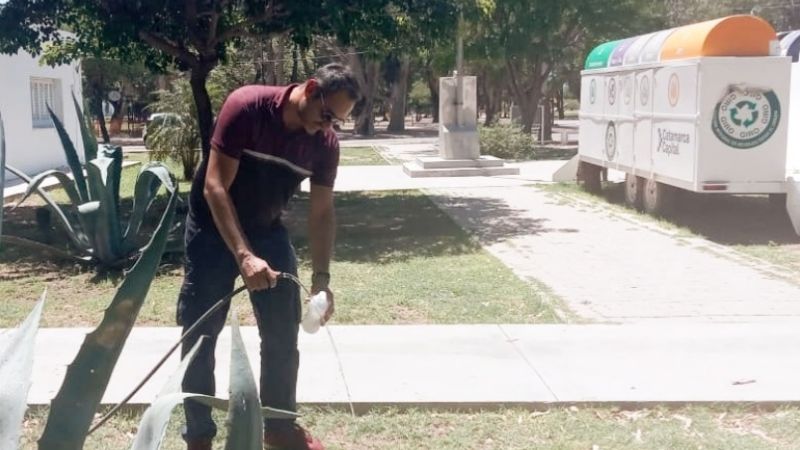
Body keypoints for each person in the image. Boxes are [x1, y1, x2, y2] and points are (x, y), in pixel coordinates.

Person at [177, 63, 359, 450]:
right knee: (200, 335)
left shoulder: (324, 144)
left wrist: (321, 281)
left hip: (267, 229)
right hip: (212, 229)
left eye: (336, 122)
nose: (327, 127)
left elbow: (322, 213)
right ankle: (199, 436)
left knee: (282, 332)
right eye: (327, 115)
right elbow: (214, 186)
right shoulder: (247, 107)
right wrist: (243, 255)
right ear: (311, 88)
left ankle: (279, 428)